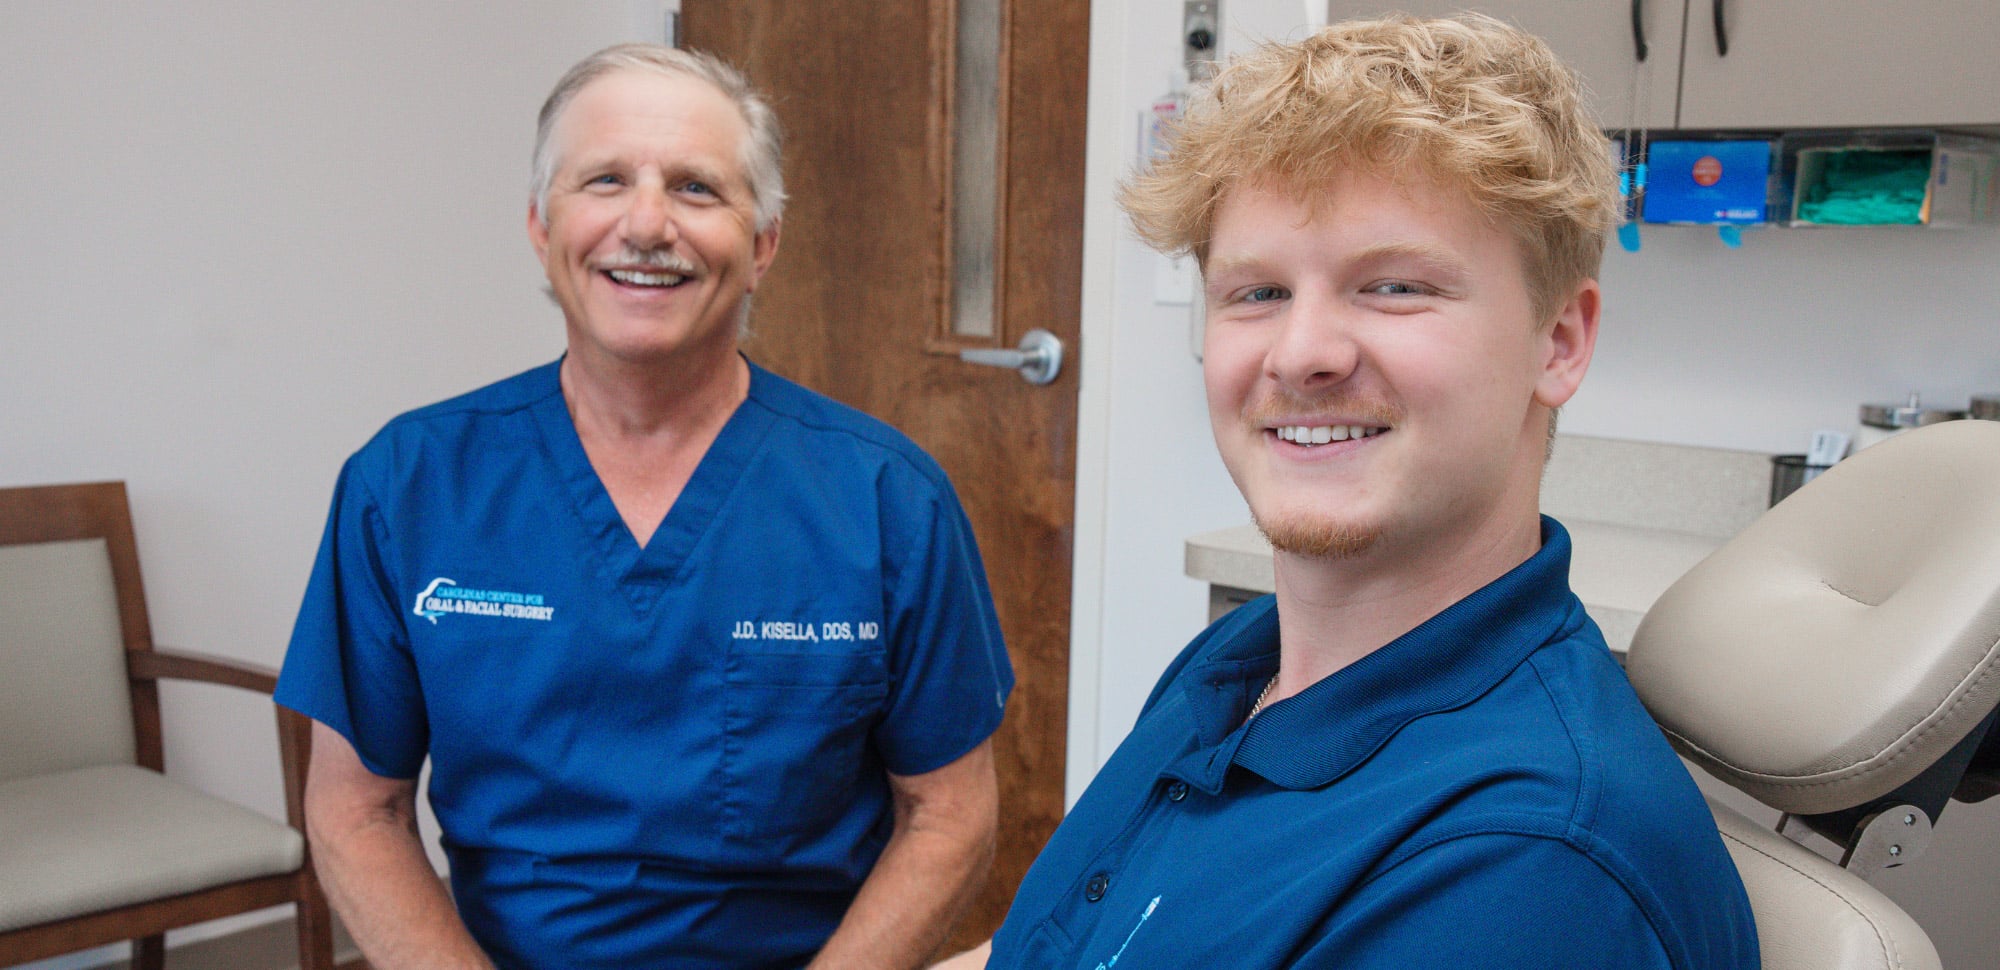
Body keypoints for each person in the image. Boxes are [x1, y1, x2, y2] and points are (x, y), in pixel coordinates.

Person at [942, 14, 1757, 970]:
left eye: (1396, 287)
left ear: (1559, 342)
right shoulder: (1244, 663)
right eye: (1258, 293)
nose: (1304, 354)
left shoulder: (1520, 873)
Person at [274, 44, 1012, 970]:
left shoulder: (886, 501)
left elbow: (948, 812)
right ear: (543, 228)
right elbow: (356, 808)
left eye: (698, 189)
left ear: (763, 246)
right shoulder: (408, 486)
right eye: (606, 180)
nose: (648, 223)